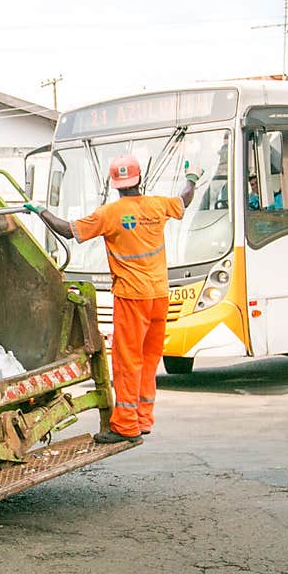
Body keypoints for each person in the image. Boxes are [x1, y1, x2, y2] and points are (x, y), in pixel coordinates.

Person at [24, 155, 198, 444]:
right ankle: (143, 418)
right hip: (159, 296)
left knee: (127, 362)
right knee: (149, 359)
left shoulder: (110, 213)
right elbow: (184, 199)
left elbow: (68, 230)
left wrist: (41, 210)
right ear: (139, 179)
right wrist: (192, 177)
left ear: (114, 184)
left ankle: (126, 426)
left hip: (132, 297)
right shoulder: (158, 205)